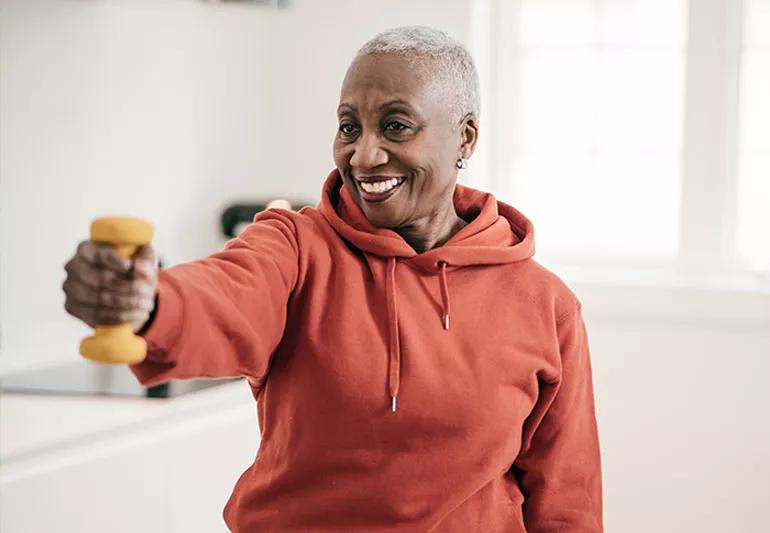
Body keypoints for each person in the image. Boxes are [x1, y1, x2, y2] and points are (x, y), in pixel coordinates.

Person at [62, 25, 603, 532]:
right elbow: (228, 293)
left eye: (395, 125)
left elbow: (567, 500)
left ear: (464, 138)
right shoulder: (296, 247)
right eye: (349, 126)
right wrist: (148, 302)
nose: (364, 155)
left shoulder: (545, 305)